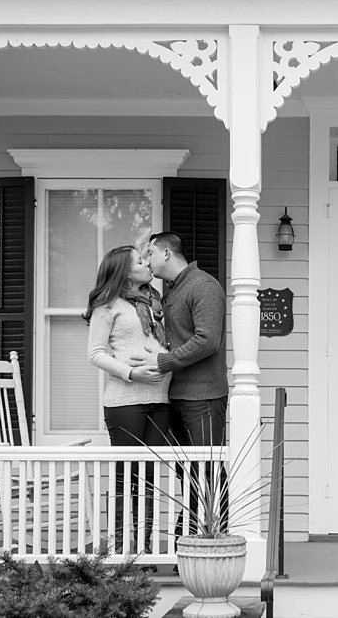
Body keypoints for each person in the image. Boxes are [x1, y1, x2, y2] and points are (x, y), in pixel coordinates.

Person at [84, 244, 171, 553]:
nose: (147, 263)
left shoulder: (155, 303)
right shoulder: (108, 306)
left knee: (148, 479)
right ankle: (122, 550)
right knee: (125, 477)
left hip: (160, 400)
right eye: (140, 260)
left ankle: (144, 550)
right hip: (125, 402)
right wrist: (131, 374)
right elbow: (95, 354)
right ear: (123, 271)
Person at [136, 231, 228, 447]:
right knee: (185, 474)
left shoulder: (204, 286)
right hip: (176, 395)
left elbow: (207, 340)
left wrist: (162, 361)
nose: (147, 262)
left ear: (166, 253)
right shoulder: (172, 291)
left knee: (207, 473)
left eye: (150, 253)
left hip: (202, 398)